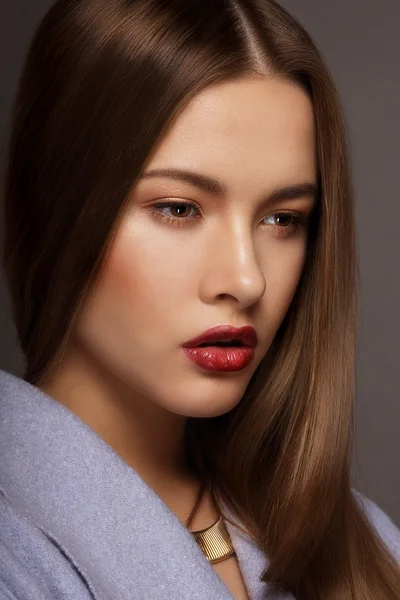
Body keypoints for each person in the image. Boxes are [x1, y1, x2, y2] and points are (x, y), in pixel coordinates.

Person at [1, 0, 399, 598]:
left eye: (282, 218)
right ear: (53, 207)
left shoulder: (364, 539)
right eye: (179, 208)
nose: (246, 280)